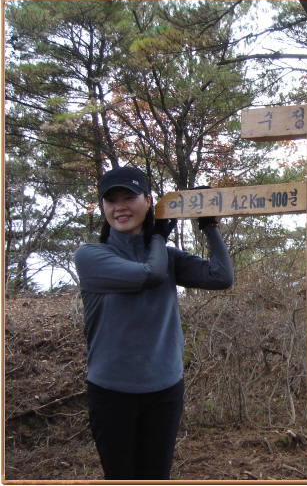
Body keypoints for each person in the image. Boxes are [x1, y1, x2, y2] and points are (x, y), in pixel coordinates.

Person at [74, 167, 234, 479]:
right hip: (111, 390)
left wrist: (209, 226)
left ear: (148, 201)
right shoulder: (92, 257)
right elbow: (150, 274)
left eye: (129, 197)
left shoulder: (167, 256)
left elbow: (222, 277)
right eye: (111, 200)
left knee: (156, 476)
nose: (119, 206)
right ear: (103, 208)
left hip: (164, 389)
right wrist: (158, 236)